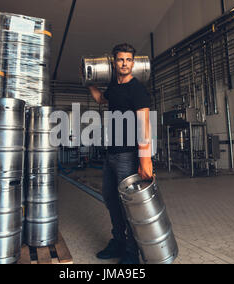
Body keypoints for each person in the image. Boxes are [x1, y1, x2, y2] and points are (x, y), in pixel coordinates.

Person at [87, 43, 153, 264]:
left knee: (129, 206)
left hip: (128, 154)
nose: (124, 63)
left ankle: (132, 254)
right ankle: (118, 242)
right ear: (114, 63)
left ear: (133, 63)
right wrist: (89, 81)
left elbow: (144, 123)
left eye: (128, 60)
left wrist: (145, 160)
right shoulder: (114, 88)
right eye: (120, 60)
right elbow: (101, 100)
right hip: (111, 153)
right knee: (111, 200)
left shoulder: (137, 89)